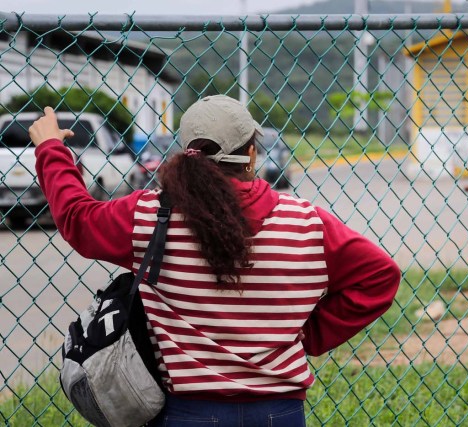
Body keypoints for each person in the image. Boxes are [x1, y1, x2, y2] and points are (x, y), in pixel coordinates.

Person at [30, 96, 401, 426]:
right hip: (280, 412)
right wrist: (309, 337)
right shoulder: (308, 223)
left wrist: (50, 148)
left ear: (189, 151)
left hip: (186, 410)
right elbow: (380, 276)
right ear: (251, 154)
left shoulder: (151, 215)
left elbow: (78, 219)